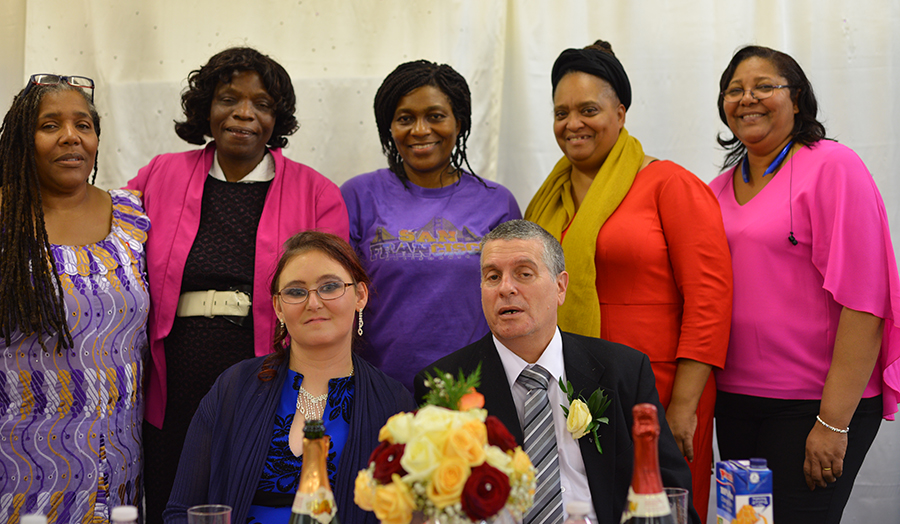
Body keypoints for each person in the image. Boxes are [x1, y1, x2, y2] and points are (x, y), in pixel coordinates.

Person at [126, 47, 349, 522]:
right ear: (206, 107)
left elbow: (333, 297)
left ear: (276, 118)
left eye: (262, 104)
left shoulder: (317, 193)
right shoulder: (159, 175)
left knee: (254, 498)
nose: (244, 113)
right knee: (175, 498)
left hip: (267, 373)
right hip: (174, 373)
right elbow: (111, 246)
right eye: (229, 98)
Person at [524, 40, 732, 519]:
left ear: (620, 113)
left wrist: (684, 405)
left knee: (660, 510)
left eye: (588, 110)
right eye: (561, 112)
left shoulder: (668, 184)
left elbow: (710, 300)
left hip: (659, 391)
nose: (572, 123)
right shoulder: (549, 199)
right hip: (570, 393)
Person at [709, 45, 900, 524]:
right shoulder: (716, 189)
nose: (747, 98)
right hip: (735, 404)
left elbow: (866, 303)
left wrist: (833, 422)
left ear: (797, 99)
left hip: (811, 405)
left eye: (764, 87)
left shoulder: (833, 167)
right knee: (744, 522)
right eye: (735, 90)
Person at [414, 220, 700, 524]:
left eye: (524, 273)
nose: (506, 288)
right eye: (493, 276)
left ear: (560, 287)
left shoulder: (623, 371)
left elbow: (671, 491)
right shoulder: (445, 386)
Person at [164, 231, 415, 524]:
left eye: (330, 286)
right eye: (296, 292)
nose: (314, 302)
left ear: (360, 295)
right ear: (278, 307)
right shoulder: (232, 388)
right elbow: (181, 512)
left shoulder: (393, 404)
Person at [0, 75, 150, 522]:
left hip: (119, 457)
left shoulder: (131, 215)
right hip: (20, 462)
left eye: (83, 124)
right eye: (50, 125)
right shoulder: (5, 220)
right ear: (22, 141)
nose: (71, 136)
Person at [341, 60, 521, 392]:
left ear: (459, 123)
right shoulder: (358, 195)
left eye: (435, 116)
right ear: (389, 127)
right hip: (377, 388)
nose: (420, 130)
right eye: (405, 118)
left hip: (472, 389)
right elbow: (336, 296)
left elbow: (514, 301)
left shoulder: (497, 202)